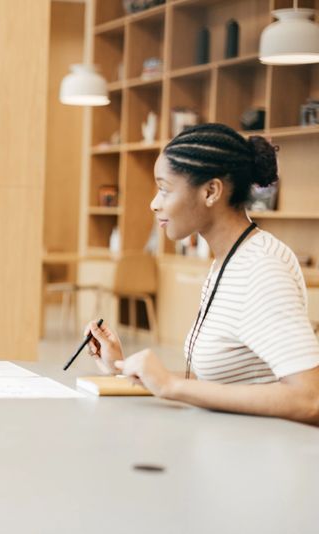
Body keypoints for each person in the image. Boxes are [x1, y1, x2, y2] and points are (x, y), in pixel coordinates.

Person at [85, 123, 319, 425]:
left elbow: (310, 398)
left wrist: (171, 386)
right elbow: (225, 384)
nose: (154, 204)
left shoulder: (261, 267)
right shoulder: (229, 260)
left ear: (211, 191)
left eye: (164, 189)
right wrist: (123, 367)